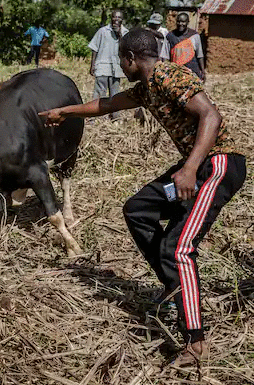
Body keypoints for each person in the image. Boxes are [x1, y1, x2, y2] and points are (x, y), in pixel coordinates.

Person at [39, 28, 246, 369]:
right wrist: (66, 111)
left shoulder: (168, 76)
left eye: (121, 59)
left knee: (179, 247)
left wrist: (190, 168)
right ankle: (174, 287)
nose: (120, 65)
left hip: (218, 165)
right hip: (198, 165)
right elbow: (106, 104)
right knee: (137, 209)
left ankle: (196, 343)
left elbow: (211, 115)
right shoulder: (147, 88)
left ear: (131, 59)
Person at [88, 9, 129, 120]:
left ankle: (114, 116)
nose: (116, 20)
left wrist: (119, 34)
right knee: (99, 92)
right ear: (111, 18)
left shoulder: (125, 33)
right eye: (114, 17)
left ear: (122, 20)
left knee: (115, 94)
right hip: (102, 66)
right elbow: (94, 48)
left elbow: (126, 49)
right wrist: (92, 65)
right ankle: (96, 116)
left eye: (119, 18)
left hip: (116, 68)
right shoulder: (103, 31)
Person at [161, 12, 206, 82]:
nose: (180, 24)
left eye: (183, 22)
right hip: (176, 72)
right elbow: (164, 56)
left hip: (192, 71)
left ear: (188, 22)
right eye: (178, 21)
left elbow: (199, 55)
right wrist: (166, 71)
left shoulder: (194, 35)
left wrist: (202, 71)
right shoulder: (170, 36)